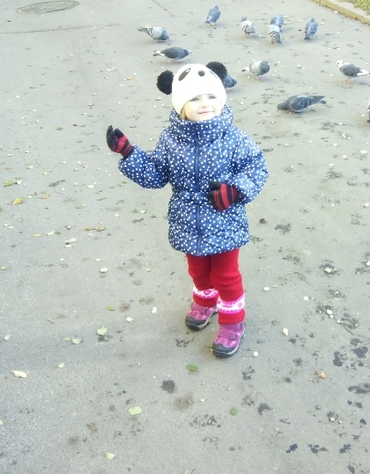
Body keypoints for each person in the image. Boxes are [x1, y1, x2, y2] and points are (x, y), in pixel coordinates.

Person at [106, 62, 268, 358]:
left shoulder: (233, 138)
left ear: (222, 99)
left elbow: (256, 167)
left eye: (211, 97)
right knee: (198, 270)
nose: (205, 104)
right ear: (180, 105)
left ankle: (233, 322)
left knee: (226, 275)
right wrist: (129, 153)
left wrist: (235, 190)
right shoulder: (170, 140)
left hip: (224, 219)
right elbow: (156, 174)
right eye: (194, 98)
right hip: (187, 221)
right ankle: (206, 301)